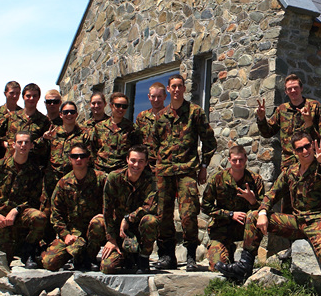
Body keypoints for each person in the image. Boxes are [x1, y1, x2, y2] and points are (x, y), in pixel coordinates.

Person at [219, 135, 321, 296]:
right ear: (295, 152)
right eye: (300, 149)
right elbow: (272, 194)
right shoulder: (290, 171)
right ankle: (244, 266)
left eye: (307, 146)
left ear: (312, 147)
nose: (305, 151)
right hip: (296, 222)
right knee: (253, 216)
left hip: (318, 220)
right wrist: (263, 211)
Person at [152, 74, 217, 270]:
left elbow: (209, 141)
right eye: (173, 86)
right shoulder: (161, 116)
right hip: (164, 172)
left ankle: (190, 256)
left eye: (180, 86)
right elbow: (153, 145)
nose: (176, 90)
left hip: (187, 170)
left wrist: (203, 166)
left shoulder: (195, 112)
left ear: (184, 88)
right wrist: (155, 167)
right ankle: (167, 255)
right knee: (163, 215)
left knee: (188, 214)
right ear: (168, 89)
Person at [0, 131, 49, 266]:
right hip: (0, 218)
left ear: (31, 146)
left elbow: (35, 200)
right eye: (20, 142)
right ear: (13, 145)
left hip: (20, 215)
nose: (23, 145)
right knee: (2, 261)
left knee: (39, 217)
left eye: (26, 142)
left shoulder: (34, 171)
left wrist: (17, 210)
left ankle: (28, 252)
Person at [201, 144, 265, 274]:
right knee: (217, 267)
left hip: (245, 228)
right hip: (222, 227)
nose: (238, 163)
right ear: (229, 160)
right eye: (235, 160)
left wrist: (252, 201)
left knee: (255, 218)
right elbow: (206, 206)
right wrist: (230, 214)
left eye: (241, 160)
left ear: (246, 159)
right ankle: (228, 249)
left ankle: (246, 262)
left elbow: (263, 209)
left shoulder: (255, 180)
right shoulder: (218, 179)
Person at [43, 146, 107, 271]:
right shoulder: (63, 183)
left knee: (98, 223)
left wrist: (104, 215)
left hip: (95, 232)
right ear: (70, 159)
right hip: (73, 234)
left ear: (88, 159)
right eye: (74, 156)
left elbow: (112, 203)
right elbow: (56, 214)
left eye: (82, 156)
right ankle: (77, 254)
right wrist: (65, 235)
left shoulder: (101, 179)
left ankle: (90, 257)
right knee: (49, 262)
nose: (78, 159)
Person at [101, 146, 160, 274]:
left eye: (141, 161)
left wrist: (129, 218)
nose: (136, 165)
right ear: (127, 160)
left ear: (146, 163)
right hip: (120, 232)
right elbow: (107, 210)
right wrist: (111, 239)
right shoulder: (114, 178)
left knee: (151, 220)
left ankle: (143, 259)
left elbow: (150, 206)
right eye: (133, 160)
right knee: (107, 267)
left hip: (139, 230)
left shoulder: (151, 181)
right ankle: (126, 257)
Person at [255, 73, 321, 173]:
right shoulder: (281, 110)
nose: (293, 91)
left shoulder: (314, 106)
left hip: (310, 159)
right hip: (289, 163)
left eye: (295, 87)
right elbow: (267, 133)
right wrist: (262, 118)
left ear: (301, 88)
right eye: (289, 89)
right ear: (286, 92)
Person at [43, 99, 97, 209]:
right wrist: (43, 139)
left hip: (73, 182)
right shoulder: (52, 133)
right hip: (52, 181)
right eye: (66, 112)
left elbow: (89, 157)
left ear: (76, 114)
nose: (69, 114)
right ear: (60, 115)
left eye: (72, 112)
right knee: (47, 212)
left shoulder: (84, 134)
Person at [95, 92, 140, 175]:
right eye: (118, 105)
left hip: (121, 172)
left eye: (124, 106)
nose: (121, 109)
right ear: (111, 106)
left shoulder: (132, 128)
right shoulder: (99, 127)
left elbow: (136, 151)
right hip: (100, 171)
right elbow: (92, 149)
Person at [134, 82, 169, 166]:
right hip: (144, 163)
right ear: (149, 97)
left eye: (159, 96)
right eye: (153, 96)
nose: (156, 100)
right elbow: (136, 140)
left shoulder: (170, 116)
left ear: (165, 97)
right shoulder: (142, 116)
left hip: (164, 163)